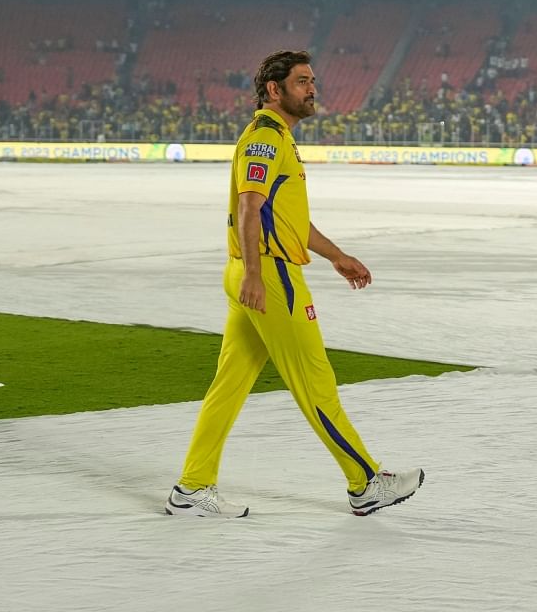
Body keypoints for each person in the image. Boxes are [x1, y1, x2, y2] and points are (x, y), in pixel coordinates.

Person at [166, 50, 423, 519]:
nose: (312, 89)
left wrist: (336, 256)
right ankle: (365, 482)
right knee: (315, 382)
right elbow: (249, 206)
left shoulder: (276, 137)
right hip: (268, 275)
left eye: (312, 80)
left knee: (228, 386)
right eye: (302, 81)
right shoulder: (266, 138)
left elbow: (287, 220)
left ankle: (192, 488)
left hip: (253, 270)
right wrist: (254, 274)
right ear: (274, 89)